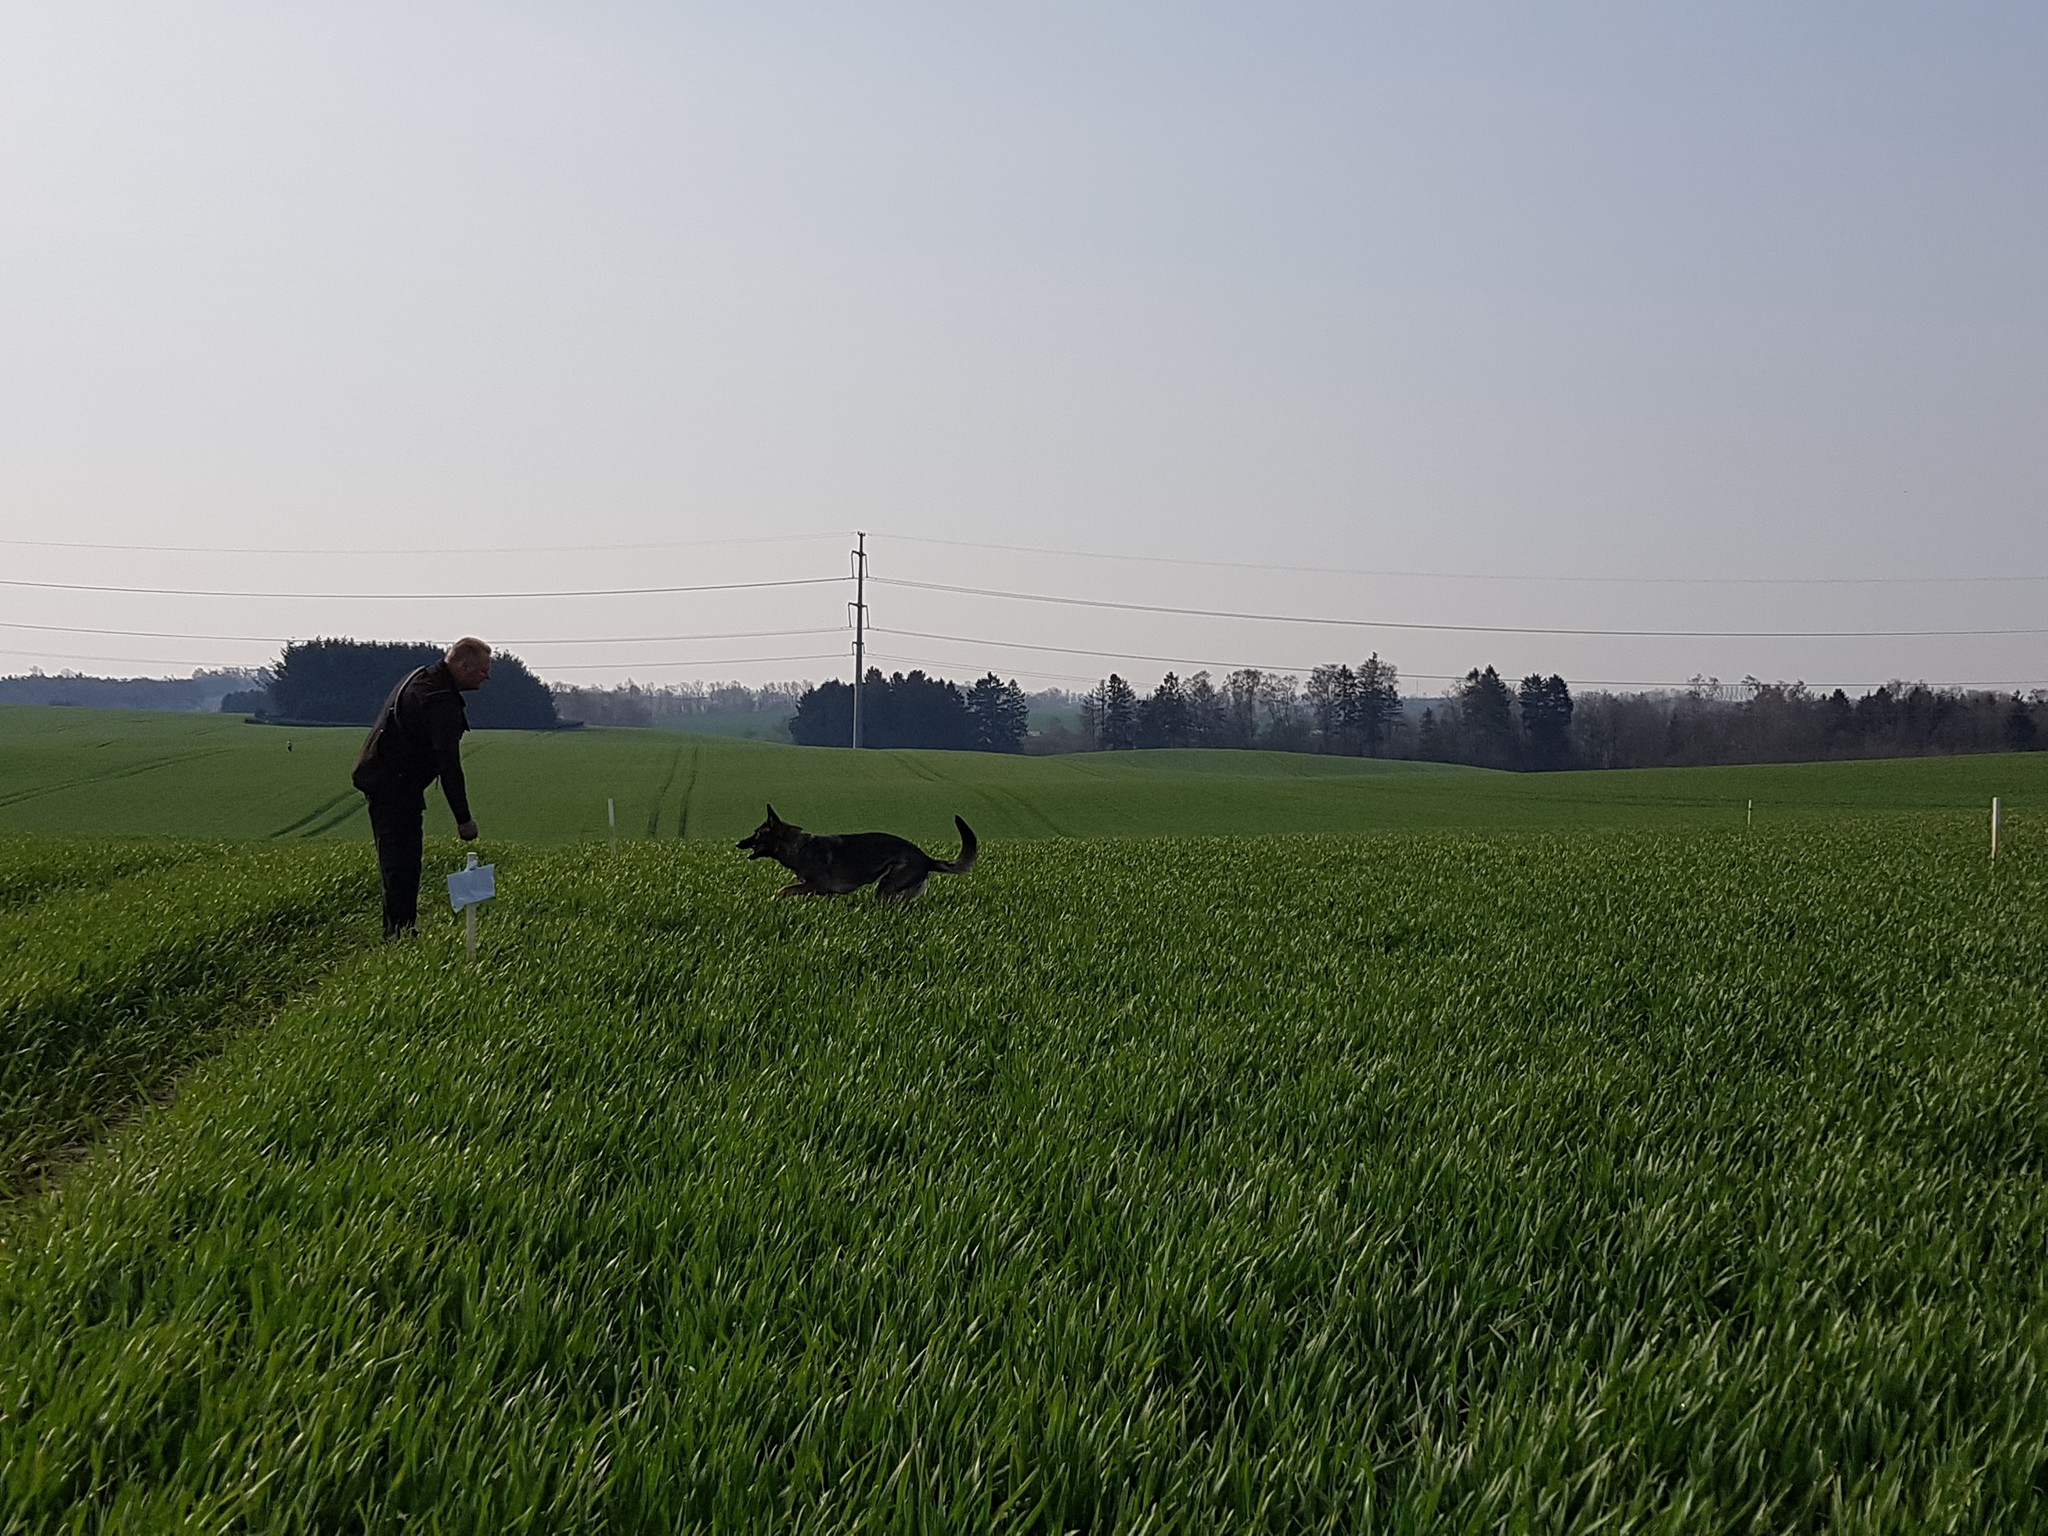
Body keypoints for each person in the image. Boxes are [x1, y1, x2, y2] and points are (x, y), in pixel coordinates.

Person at [351, 638, 492, 937]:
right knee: (401, 863)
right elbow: (449, 765)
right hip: (392, 786)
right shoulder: (438, 699)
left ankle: (400, 929)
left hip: (389, 781)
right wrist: (464, 819)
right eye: (482, 670)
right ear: (462, 666)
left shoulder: (423, 676)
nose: (486, 676)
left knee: (401, 861)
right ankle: (399, 935)